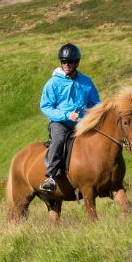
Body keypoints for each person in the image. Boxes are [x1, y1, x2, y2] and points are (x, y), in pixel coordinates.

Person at [36, 43, 100, 196]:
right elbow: (46, 106)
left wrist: (91, 115)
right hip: (60, 123)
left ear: (76, 62)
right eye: (63, 62)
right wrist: (66, 115)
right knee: (58, 140)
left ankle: (103, 175)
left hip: (82, 123)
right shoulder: (53, 83)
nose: (66, 65)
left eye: (70, 62)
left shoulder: (86, 82)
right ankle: (50, 178)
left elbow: (96, 103)